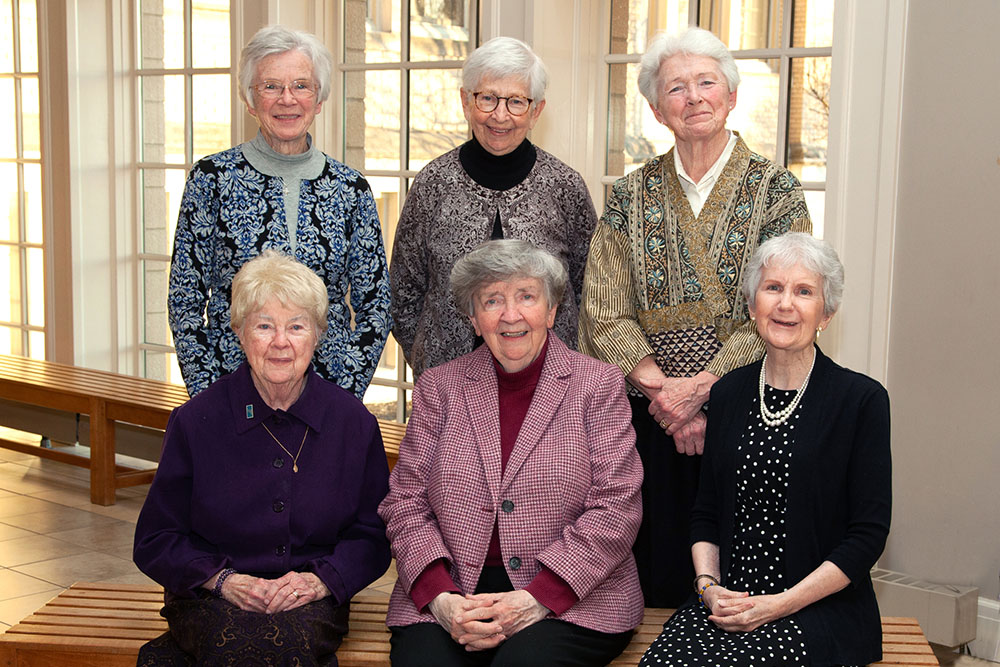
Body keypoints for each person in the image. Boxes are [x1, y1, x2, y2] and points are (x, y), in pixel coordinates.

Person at [579, 27, 812, 607]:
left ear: (731, 96)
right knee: (653, 581)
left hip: (747, 413)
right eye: (676, 88)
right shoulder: (628, 195)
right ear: (659, 111)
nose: (694, 97)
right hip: (648, 424)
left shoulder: (776, 191)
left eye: (707, 82)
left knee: (741, 583)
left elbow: (786, 305)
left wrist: (705, 392)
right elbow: (603, 310)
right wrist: (668, 399)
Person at [379, 239, 644, 666]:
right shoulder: (439, 388)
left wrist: (538, 598)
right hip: (453, 592)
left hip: (574, 596)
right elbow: (405, 503)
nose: (511, 315)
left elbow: (617, 507)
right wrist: (442, 599)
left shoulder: (598, 385)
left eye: (526, 296)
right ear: (473, 317)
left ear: (552, 310)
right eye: (492, 300)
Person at [639, 233, 891, 666]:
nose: (785, 304)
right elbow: (707, 513)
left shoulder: (861, 400)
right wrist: (708, 587)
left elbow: (867, 535)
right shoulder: (729, 394)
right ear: (753, 306)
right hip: (728, 603)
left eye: (804, 292)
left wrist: (779, 604)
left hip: (816, 610)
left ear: (826, 315)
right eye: (773, 288)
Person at [135, 250, 391, 665]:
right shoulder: (196, 420)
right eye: (264, 326)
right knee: (239, 642)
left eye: (296, 326)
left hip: (309, 599)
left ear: (317, 334)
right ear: (239, 331)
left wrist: (320, 582)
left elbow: (372, 534)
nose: (280, 342)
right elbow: (155, 539)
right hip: (209, 596)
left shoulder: (352, 422)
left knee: (280, 643)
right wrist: (222, 581)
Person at [169, 24, 390, 400]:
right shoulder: (211, 180)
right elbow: (185, 297)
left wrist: (345, 392)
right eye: (271, 86)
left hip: (327, 391)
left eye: (301, 86)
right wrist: (208, 391)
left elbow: (376, 304)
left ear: (319, 100)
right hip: (232, 389)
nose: (287, 99)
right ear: (250, 100)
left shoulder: (351, 189)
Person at [390, 36, 598, 379]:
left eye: (516, 101)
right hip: (449, 387)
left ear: (536, 111)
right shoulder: (432, 184)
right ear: (465, 101)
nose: (500, 115)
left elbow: (589, 290)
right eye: (487, 98)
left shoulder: (565, 186)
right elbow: (403, 290)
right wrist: (431, 366)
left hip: (550, 385)